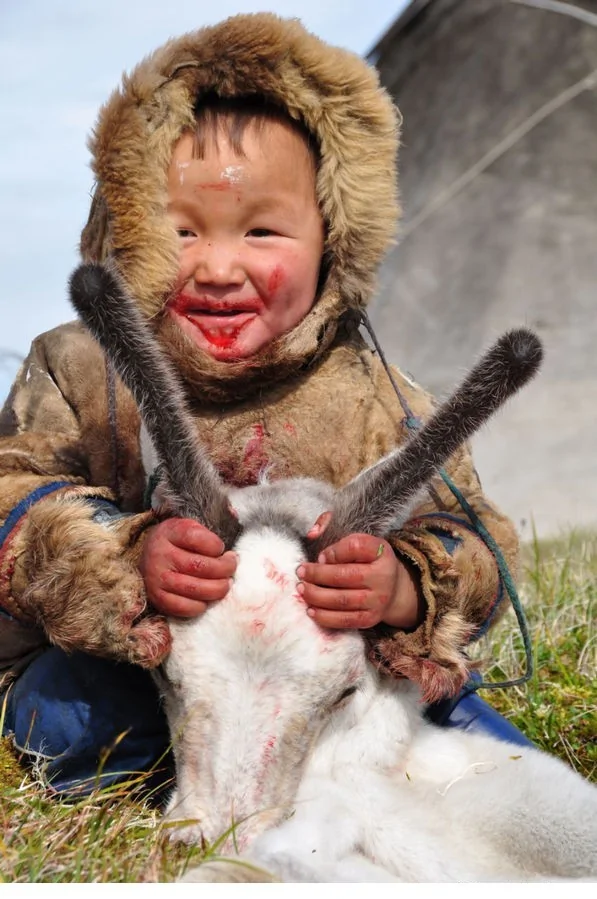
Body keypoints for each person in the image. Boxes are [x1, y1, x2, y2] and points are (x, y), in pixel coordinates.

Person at [0, 13, 530, 797]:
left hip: (328, 685)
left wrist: (404, 584)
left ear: (333, 239)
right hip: (133, 671)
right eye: (181, 230)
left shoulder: (372, 394)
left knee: (489, 762)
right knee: (67, 716)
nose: (218, 265)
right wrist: (124, 557)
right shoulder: (80, 365)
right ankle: (160, 788)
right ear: (124, 228)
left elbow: (473, 535)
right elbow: (13, 491)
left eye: (261, 231)